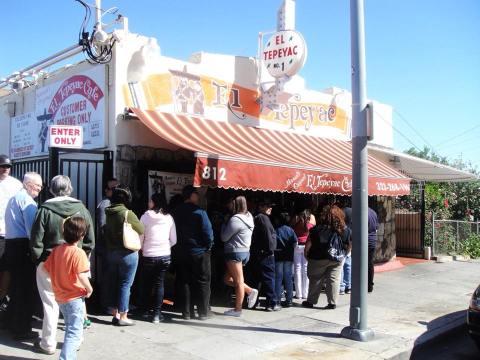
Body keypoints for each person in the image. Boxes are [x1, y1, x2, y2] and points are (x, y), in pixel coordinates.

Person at [30, 175, 95, 355]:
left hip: (49, 262)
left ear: (51, 189)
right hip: (75, 262)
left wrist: (39, 260)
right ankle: (76, 339)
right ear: (70, 188)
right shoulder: (81, 208)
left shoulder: (44, 209)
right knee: (76, 302)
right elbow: (90, 240)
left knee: (50, 304)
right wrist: (82, 256)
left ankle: (48, 343)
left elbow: (36, 240)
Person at [44, 216, 93, 360]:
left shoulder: (57, 250)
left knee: (70, 327)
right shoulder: (79, 253)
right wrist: (90, 289)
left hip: (60, 296)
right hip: (74, 297)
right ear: (82, 235)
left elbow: (47, 268)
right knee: (74, 331)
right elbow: (82, 276)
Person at [4, 172, 42, 340]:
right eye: (38, 186)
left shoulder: (14, 198)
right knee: (25, 290)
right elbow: (32, 230)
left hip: (11, 245)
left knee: (16, 287)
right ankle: (21, 329)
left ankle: (11, 323)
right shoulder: (27, 201)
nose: (40, 190)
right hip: (22, 247)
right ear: (28, 184)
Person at [104, 185, 144, 326]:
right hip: (127, 253)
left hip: (112, 253)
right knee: (125, 284)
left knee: (114, 284)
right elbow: (141, 229)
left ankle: (114, 313)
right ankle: (123, 315)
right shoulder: (127, 213)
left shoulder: (108, 212)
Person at [172, 185, 213, 320]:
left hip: (181, 251)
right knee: (202, 281)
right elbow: (208, 233)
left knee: (184, 281)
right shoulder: (200, 212)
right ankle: (202, 312)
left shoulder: (175, 212)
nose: (198, 196)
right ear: (191, 196)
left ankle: (186, 312)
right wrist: (208, 245)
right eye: (196, 194)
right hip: (199, 252)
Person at [302, 205, 351, 310]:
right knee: (334, 279)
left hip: (317, 258)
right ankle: (332, 302)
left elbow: (308, 245)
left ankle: (311, 301)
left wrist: (306, 254)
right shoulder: (345, 230)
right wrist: (344, 255)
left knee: (315, 280)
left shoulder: (316, 230)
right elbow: (349, 244)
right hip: (336, 258)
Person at [139, 192, 177, 323]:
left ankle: (144, 311)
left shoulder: (145, 217)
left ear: (154, 202)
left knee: (147, 284)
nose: (148, 203)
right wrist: (165, 247)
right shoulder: (169, 218)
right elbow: (174, 240)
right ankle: (156, 314)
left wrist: (143, 248)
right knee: (159, 284)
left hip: (148, 255)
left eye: (150, 201)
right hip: (164, 255)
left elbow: (140, 237)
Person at [221, 195, 258, 317]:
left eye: (232, 203)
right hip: (245, 251)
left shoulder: (235, 219)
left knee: (238, 281)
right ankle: (250, 291)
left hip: (234, 252)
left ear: (236, 205)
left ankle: (238, 310)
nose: (230, 205)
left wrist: (224, 224)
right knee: (227, 279)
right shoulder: (249, 216)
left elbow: (224, 237)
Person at [0, 154, 23, 312]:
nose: (5, 169)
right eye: (2, 166)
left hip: (10, 233)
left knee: (7, 268)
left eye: (8, 166)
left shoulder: (16, 185)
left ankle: (3, 298)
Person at [250, 199, 278, 311]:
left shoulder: (257, 217)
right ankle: (271, 303)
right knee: (268, 278)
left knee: (257, 279)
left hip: (258, 252)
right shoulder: (263, 217)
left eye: (270, 206)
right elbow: (268, 235)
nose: (270, 208)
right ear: (260, 207)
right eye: (267, 206)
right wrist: (270, 250)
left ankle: (254, 302)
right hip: (265, 254)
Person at [95, 178, 118, 313]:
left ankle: (111, 303)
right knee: (108, 276)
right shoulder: (105, 204)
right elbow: (103, 226)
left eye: (117, 187)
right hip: (107, 246)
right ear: (106, 190)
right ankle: (106, 304)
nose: (115, 190)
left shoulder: (113, 203)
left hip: (112, 246)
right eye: (112, 188)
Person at [273, 212, 298, 307]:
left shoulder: (276, 230)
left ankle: (277, 299)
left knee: (278, 278)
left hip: (278, 256)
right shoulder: (290, 230)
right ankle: (289, 300)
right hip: (288, 256)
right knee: (288, 278)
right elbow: (295, 243)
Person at [292, 209, 314, 300]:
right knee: (305, 269)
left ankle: (298, 293)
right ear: (309, 217)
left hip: (297, 246)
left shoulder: (296, 225)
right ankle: (305, 293)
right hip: (307, 247)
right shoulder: (311, 226)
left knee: (297, 269)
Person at [340, 205, 352, 295]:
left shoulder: (341, 211)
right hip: (348, 244)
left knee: (340, 267)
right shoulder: (352, 211)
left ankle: (341, 287)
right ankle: (348, 286)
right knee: (348, 266)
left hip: (341, 247)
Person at [368, 205, 379, 293]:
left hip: (364, 241)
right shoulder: (373, 212)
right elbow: (376, 228)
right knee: (370, 263)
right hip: (372, 240)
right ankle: (370, 285)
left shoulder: (361, 212)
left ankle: (362, 284)